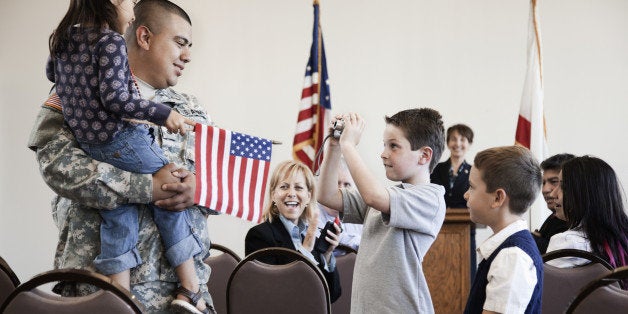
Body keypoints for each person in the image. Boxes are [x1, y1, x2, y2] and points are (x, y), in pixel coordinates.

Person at [29, 1, 215, 312]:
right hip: (99, 294)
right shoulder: (73, 93)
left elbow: (222, 181)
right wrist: (146, 187)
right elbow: (57, 166)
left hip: (182, 300)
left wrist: (198, 188)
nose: (188, 55)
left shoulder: (190, 108)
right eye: (180, 43)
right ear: (143, 37)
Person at [318, 108, 447, 313]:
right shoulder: (386, 197)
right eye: (384, 145)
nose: (383, 153)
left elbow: (373, 196)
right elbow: (326, 195)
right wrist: (335, 147)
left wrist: (349, 145)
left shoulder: (430, 198)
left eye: (394, 146)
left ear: (424, 155)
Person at [244, 160, 342, 303]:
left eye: (298, 188)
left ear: (308, 196)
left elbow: (331, 296)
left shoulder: (311, 235)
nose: (291, 193)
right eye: (284, 187)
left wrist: (326, 256)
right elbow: (272, 295)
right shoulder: (258, 236)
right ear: (273, 195)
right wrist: (305, 250)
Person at [462, 146, 543, 314]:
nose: (466, 195)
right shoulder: (507, 250)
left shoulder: (511, 256)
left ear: (498, 198)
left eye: (471, 187)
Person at [546, 156, 628, 272]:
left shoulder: (567, 242)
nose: (553, 193)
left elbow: (547, 288)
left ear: (584, 194)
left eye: (563, 186)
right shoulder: (622, 239)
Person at [430, 123, 477, 280]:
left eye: (462, 139)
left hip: (464, 229)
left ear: (469, 143)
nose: (457, 144)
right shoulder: (436, 169)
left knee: (466, 277)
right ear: (448, 143)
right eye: (453, 139)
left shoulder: (474, 172)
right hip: (438, 229)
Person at [317, 158, 363, 253]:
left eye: (347, 185)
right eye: (335, 183)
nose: (341, 190)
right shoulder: (311, 212)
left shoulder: (359, 215)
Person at [531, 153, 574, 253]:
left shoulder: (574, 221)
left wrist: (533, 239)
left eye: (554, 181)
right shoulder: (554, 217)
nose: (545, 190)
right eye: (543, 183)